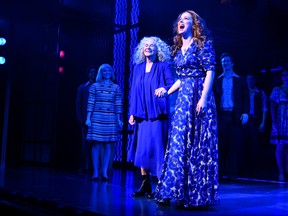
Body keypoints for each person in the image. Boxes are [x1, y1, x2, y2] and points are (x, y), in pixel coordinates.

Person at [153, 10, 219, 208]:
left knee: (197, 143)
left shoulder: (202, 45)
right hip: (183, 100)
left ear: (194, 24)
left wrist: (204, 98)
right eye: (180, 19)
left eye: (186, 19)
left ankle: (195, 195)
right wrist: (167, 91)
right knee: (179, 142)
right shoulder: (179, 48)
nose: (181, 21)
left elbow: (210, 72)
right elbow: (181, 79)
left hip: (199, 95)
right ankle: (174, 192)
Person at [128, 36, 174, 198]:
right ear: (142, 49)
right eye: (145, 45)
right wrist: (132, 112)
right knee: (142, 151)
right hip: (142, 115)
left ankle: (162, 187)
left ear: (157, 49)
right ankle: (145, 183)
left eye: (152, 46)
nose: (148, 47)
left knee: (157, 150)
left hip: (157, 115)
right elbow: (134, 91)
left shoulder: (163, 66)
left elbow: (171, 84)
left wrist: (164, 89)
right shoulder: (138, 68)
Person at [214, 52, 250, 181]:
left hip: (235, 116)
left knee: (233, 146)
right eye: (223, 61)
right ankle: (220, 174)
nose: (225, 63)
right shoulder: (217, 80)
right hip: (222, 116)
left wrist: (245, 112)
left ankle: (232, 174)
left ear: (232, 63)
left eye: (227, 61)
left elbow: (246, 98)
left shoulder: (239, 80)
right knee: (221, 145)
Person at [86, 63, 123, 182]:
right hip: (97, 117)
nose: (107, 73)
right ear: (100, 73)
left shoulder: (116, 87)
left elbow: (118, 104)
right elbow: (90, 102)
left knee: (108, 145)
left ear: (111, 73)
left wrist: (118, 119)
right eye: (104, 71)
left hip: (110, 118)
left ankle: (105, 171)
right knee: (96, 144)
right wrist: (88, 118)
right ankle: (96, 172)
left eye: (109, 71)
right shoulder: (95, 86)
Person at [241, 73, 268, 177]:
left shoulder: (260, 93)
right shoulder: (244, 92)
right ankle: (244, 169)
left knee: (254, 145)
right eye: (248, 79)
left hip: (255, 120)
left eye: (252, 79)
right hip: (244, 120)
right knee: (243, 144)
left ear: (255, 80)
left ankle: (253, 169)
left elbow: (265, 109)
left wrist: (263, 122)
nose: (250, 81)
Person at [76, 65, 97, 173]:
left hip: (97, 121)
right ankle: (83, 166)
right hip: (85, 121)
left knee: (96, 145)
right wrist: (80, 119)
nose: (93, 74)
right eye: (91, 72)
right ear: (88, 74)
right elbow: (78, 104)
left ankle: (94, 168)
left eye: (95, 72)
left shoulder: (99, 86)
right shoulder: (83, 87)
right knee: (85, 144)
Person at [269, 69, 288, 181]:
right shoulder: (277, 89)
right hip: (281, 120)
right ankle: (281, 172)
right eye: (284, 75)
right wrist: (274, 119)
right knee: (280, 146)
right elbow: (272, 105)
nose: (285, 77)